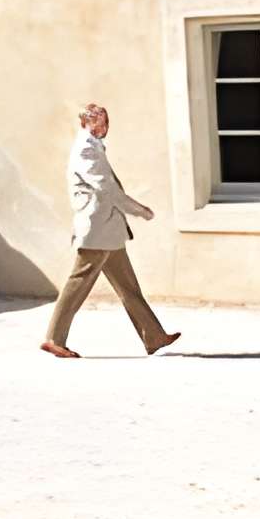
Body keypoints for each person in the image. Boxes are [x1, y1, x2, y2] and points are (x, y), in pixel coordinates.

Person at [41, 102, 178, 359]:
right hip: (97, 231)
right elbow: (108, 190)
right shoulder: (86, 149)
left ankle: (154, 336)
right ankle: (53, 338)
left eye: (105, 121)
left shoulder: (93, 146)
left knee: (128, 288)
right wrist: (138, 210)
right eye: (98, 121)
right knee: (78, 283)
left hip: (107, 232)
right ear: (86, 123)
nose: (104, 126)